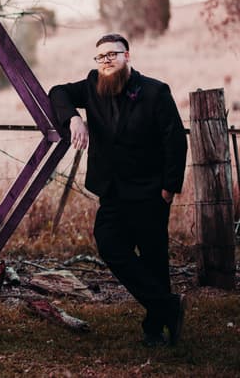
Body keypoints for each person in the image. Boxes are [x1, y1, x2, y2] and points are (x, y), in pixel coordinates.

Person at [49, 33, 188, 347]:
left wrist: (169, 187)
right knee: (109, 245)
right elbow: (57, 92)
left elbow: (175, 139)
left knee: (154, 258)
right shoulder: (91, 86)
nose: (107, 60)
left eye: (113, 54)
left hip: (150, 191)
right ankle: (167, 306)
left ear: (128, 55)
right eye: (101, 57)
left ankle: (155, 328)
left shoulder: (154, 91)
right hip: (111, 192)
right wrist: (73, 119)